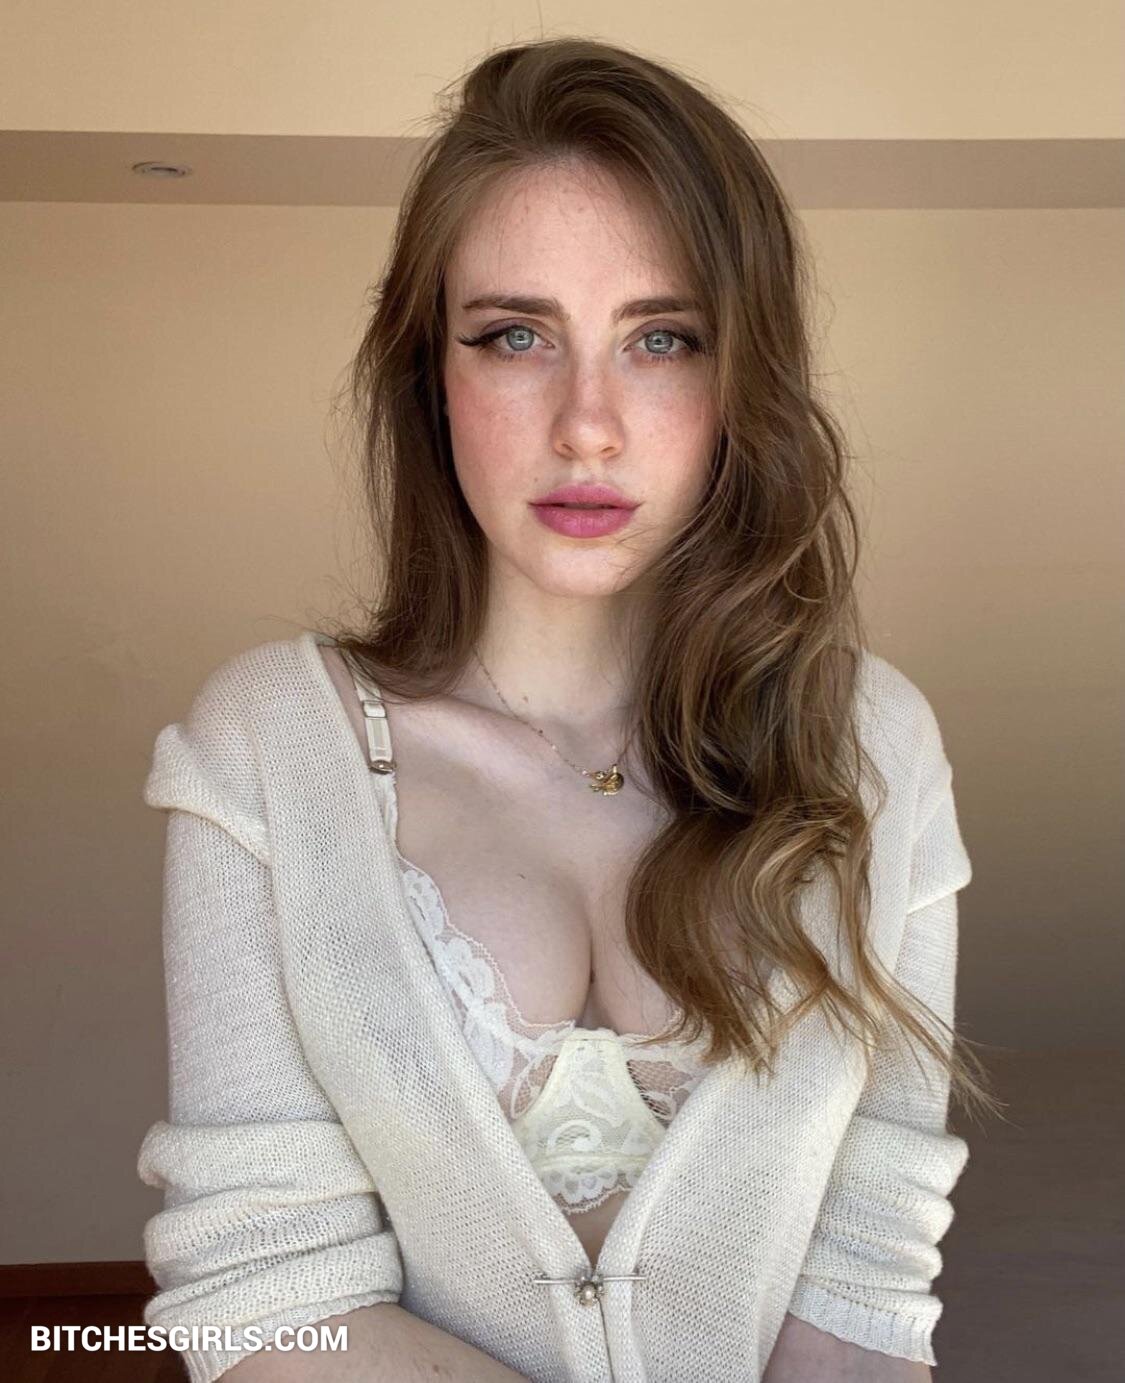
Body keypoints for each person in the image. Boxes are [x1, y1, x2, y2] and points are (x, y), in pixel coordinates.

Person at [136, 36, 996, 1383]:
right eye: (515, 336)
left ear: (742, 382)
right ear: (431, 377)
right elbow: (260, 1288)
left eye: (662, 339)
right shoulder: (267, 747)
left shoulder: (873, 746)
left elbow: (869, 1271)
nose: (587, 425)